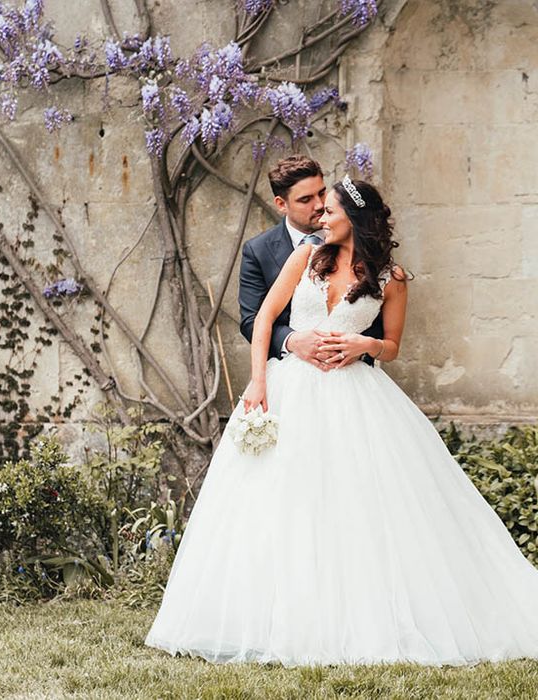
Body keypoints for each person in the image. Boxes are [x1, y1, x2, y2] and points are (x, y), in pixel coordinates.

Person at [145, 177, 538, 666]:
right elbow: (264, 319)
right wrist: (259, 382)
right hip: (291, 389)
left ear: (356, 217)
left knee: (355, 503)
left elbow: (391, 346)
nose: (321, 217)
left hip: (357, 398)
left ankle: (360, 615)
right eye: (319, 210)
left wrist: (364, 345)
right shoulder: (306, 258)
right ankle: (276, 618)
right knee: (283, 500)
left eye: (329, 210)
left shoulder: (391, 277)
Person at [239, 155, 383, 370]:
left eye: (322, 192)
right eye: (305, 199)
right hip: (291, 372)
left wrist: (359, 350)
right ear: (281, 204)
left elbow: (378, 308)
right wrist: (292, 341)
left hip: (351, 372)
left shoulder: (359, 240)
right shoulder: (258, 250)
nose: (319, 205)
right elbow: (251, 319)